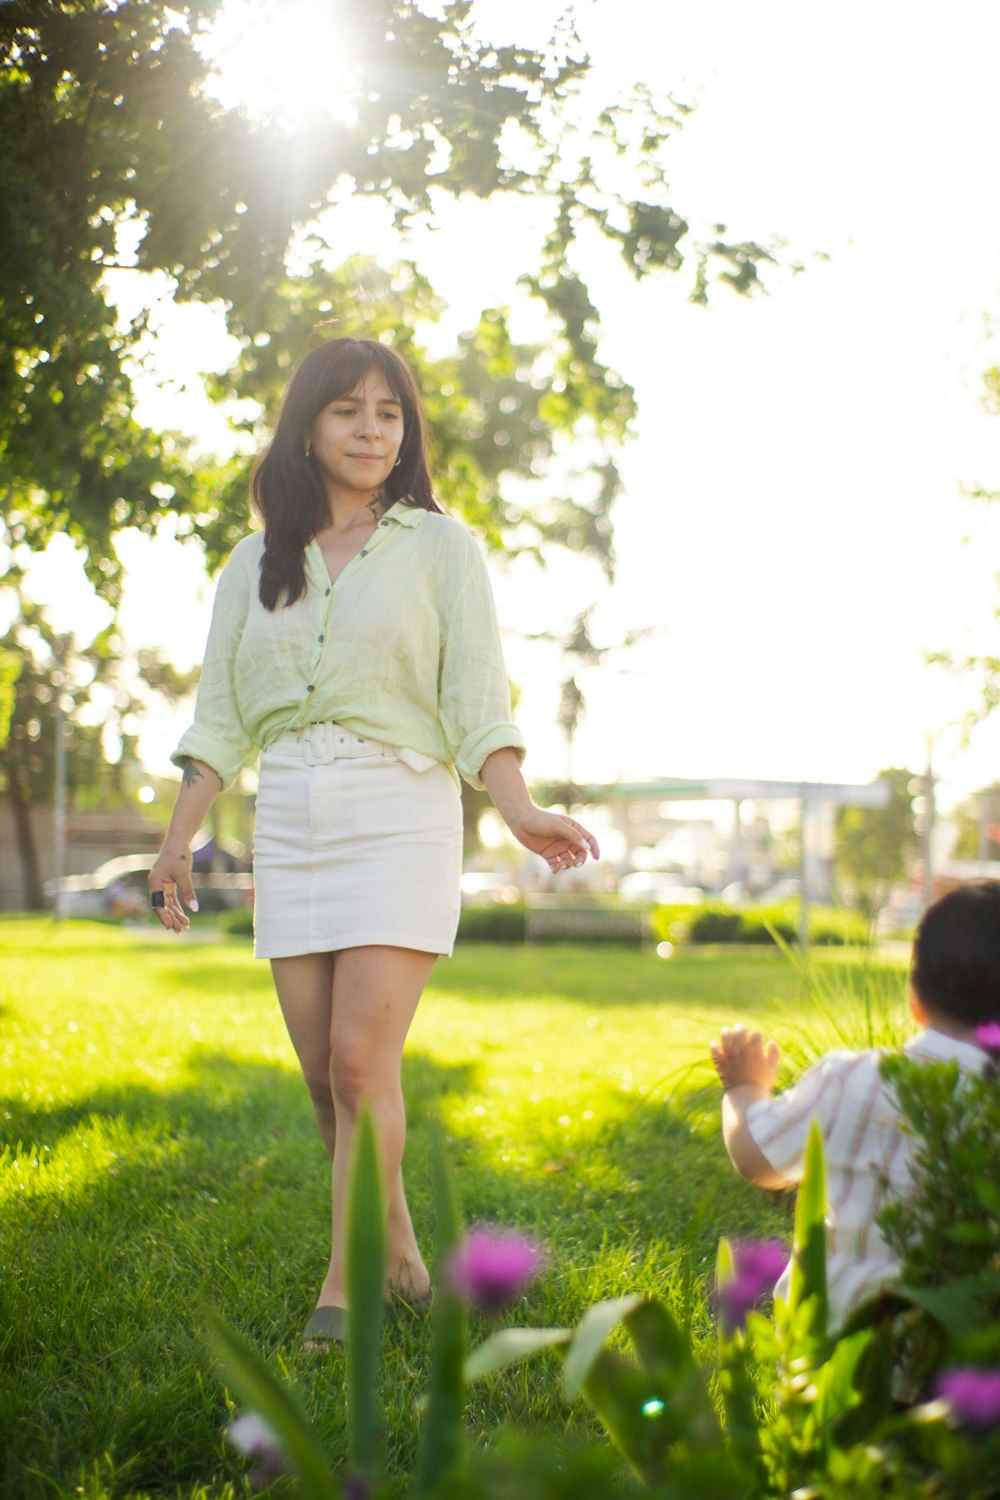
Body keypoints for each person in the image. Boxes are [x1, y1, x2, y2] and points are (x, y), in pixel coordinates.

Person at [148, 337, 599, 1348]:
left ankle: (346, 1290)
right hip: (293, 815)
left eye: (388, 412)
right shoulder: (250, 564)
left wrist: (519, 806)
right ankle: (398, 1255)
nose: (370, 428)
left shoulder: (443, 549)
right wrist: (178, 840)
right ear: (306, 426)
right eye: (347, 409)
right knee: (323, 1078)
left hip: (400, 812)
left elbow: (476, 699)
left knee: (360, 1063)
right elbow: (217, 718)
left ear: (407, 431)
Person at [709, 881, 1000, 1331]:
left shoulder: (850, 1078)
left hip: (835, 1348)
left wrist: (743, 1086)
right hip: (965, 1360)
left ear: (916, 998)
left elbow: (757, 1160)